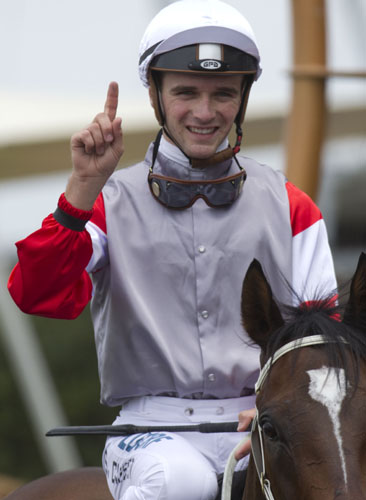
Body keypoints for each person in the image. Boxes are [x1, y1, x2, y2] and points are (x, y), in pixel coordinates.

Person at [7, 1, 337, 499]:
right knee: (180, 481)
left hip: (265, 426)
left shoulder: (294, 206)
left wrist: (279, 408)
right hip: (147, 434)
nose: (205, 113)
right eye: (186, 93)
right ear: (156, 94)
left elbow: (325, 342)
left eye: (222, 94)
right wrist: (81, 188)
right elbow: (38, 294)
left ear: (242, 98)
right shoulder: (106, 203)